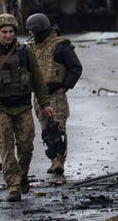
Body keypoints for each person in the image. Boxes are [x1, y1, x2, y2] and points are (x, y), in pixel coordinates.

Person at [0, 13, 54, 201]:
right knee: (7, 148)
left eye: (11, 31)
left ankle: (23, 175)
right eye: (4, 32)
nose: (8, 35)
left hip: (23, 107)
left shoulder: (25, 52)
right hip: (1, 108)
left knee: (26, 147)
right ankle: (13, 185)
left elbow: (37, 79)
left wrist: (45, 104)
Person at [25, 13, 83, 175]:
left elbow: (75, 68)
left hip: (56, 94)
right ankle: (53, 160)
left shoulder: (60, 46)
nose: (30, 34)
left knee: (57, 129)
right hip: (39, 96)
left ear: (39, 30)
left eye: (32, 31)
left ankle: (59, 161)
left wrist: (65, 87)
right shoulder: (33, 47)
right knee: (46, 131)